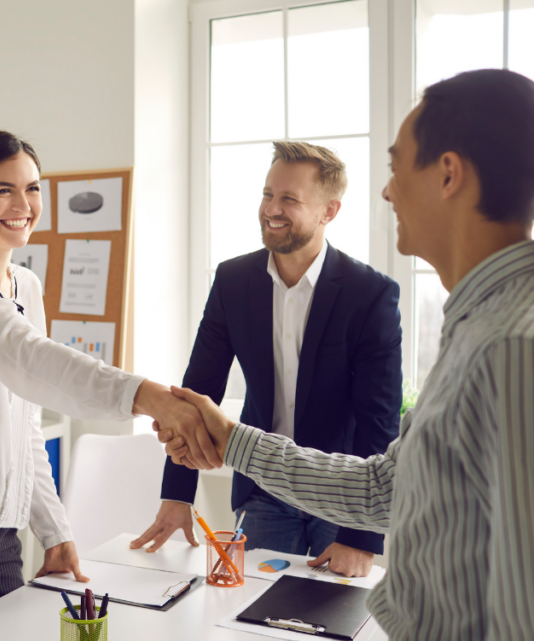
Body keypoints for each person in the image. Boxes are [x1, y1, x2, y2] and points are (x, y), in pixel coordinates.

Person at [162, 69, 534, 641]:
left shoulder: (512, 346)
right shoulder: (478, 326)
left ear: (447, 174)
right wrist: (229, 441)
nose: (388, 193)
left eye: (397, 166)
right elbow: (385, 488)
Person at [0, 129, 212, 632]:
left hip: (0, 531)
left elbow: (26, 423)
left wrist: (54, 531)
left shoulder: (27, 285)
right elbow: (20, 354)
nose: (23, 204)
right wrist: (147, 397)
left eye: (32, 188)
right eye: (3, 189)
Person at [132, 141, 401, 578]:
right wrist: (178, 495)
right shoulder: (233, 280)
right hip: (262, 491)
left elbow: (379, 420)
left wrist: (360, 536)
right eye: (267, 194)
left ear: (328, 211)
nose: (271, 209)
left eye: (289, 199)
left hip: (340, 495)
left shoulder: (370, 294)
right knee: (250, 618)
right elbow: (196, 391)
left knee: (328, 626)